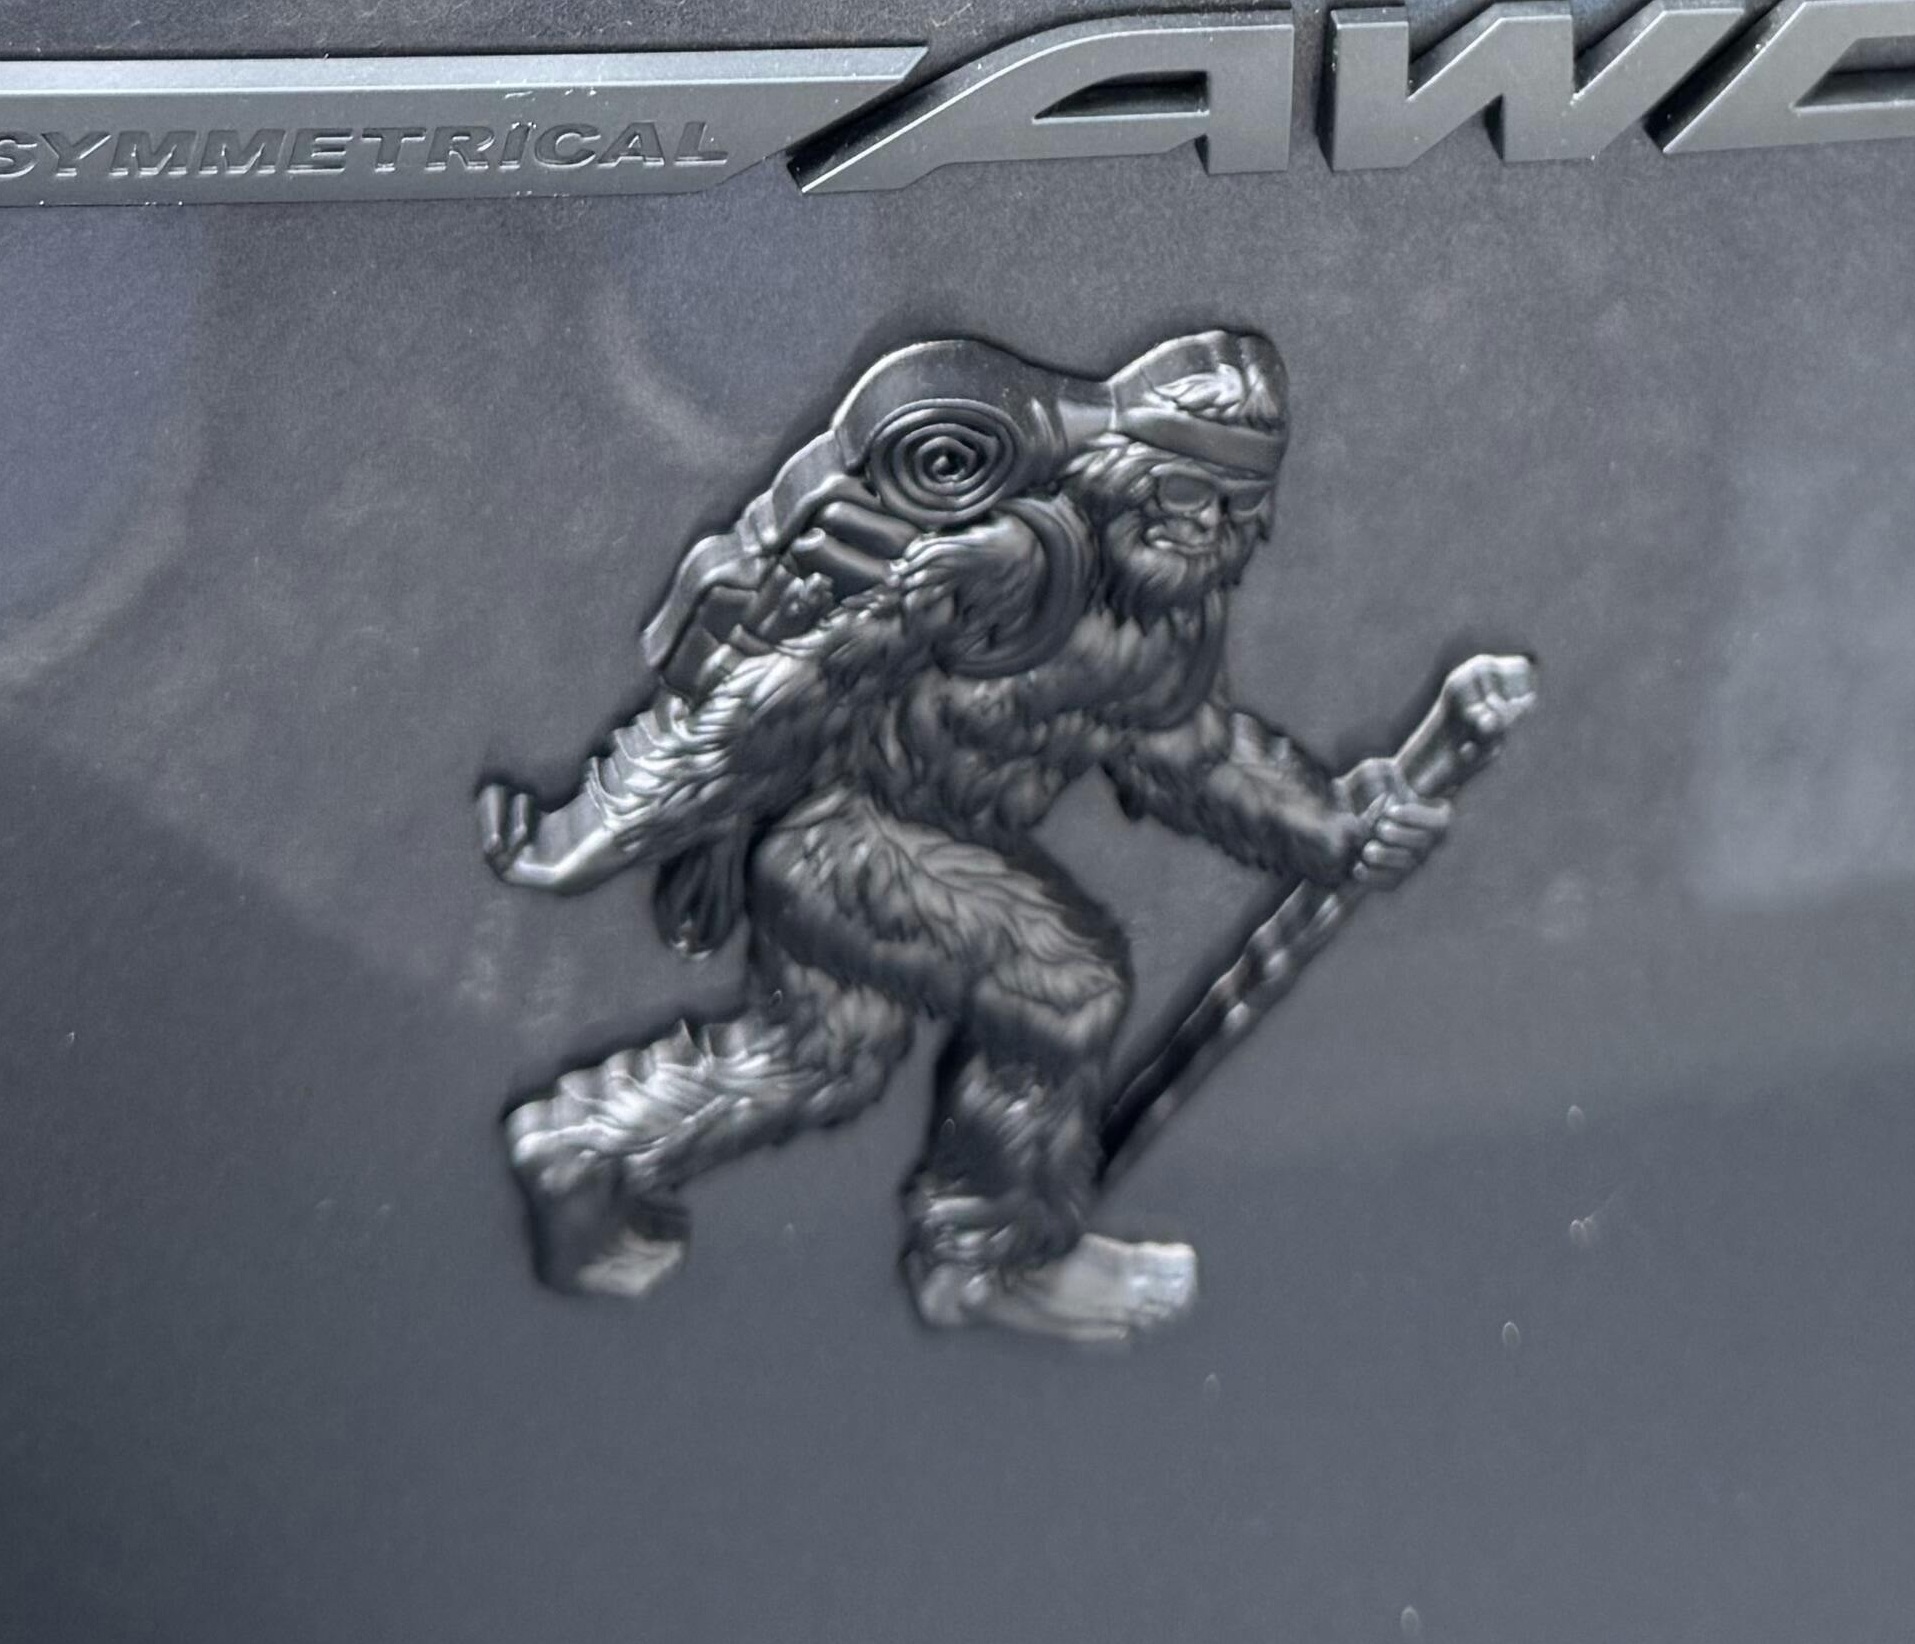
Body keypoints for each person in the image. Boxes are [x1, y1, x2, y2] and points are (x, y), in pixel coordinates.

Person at [479, 325, 1472, 1338]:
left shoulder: (1172, 624)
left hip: (912, 853)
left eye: (1234, 504)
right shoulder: (1009, 563)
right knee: (1066, 988)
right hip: (838, 837)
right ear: (1123, 468)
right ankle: (986, 1258)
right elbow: (788, 692)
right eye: (1184, 488)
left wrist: (1333, 827)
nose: (1201, 524)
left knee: (820, 1064)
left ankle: (583, 1150)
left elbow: (1194, 755)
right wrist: (596, 831)